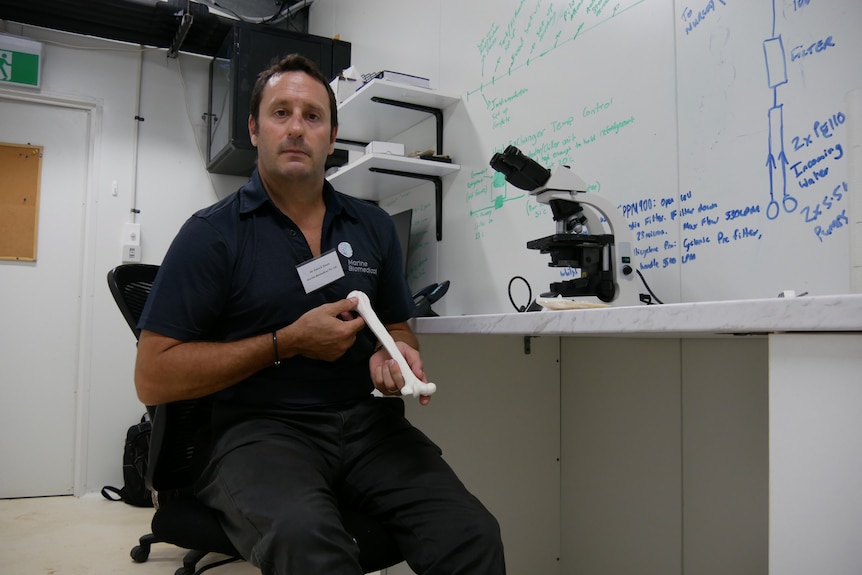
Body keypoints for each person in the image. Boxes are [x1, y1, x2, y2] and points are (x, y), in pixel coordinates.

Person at [134, 53, 506, 575]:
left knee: (471, 534)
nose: (295, 128)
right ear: (254, 130)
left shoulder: (371, 225)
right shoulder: (213, 234)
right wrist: (285, 343)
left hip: (369, 428)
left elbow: (397, 326)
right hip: (258, 430)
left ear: (332, 139)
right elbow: (152, 377)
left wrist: (395, 355)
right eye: (280, 112)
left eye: (312, 117)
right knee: (311, 545)